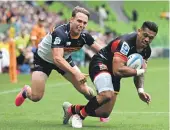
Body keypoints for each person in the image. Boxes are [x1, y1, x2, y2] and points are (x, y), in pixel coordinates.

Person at [62, 21, 158, 128]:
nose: (147, 39)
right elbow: (118, 70)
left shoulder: (146, 51)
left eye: (151, 38)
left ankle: (71, 109)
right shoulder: (125, 43)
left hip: (114, 74)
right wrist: (140, 71)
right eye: (145, 35)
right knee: (107, 94)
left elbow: (138, 72)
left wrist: (140, 90)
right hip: (101, 63)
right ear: (139, 31)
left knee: (104, 112)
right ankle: (79, 116)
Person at [15, 6, 104, 116]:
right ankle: (26, 91)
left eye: (84, 23)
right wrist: (76, 72)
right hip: (43, 60)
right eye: (79, 21)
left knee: (85, 90)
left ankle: (98, 109)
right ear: (71, 19)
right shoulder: (60, 33)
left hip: (64, 60)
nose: (81, 25)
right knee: (36, 97)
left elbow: (103, 51)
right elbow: (57, 58)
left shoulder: (85, 36)